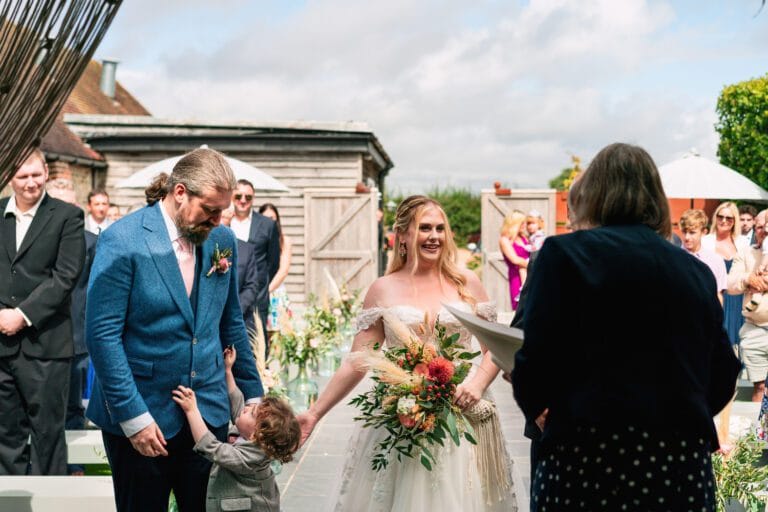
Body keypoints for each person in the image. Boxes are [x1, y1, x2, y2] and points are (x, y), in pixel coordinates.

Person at [512, 142, 740, 511]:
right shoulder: (695, 272)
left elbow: (532, 365)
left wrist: (550, 409)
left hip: (583, 463)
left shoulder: (562, 256)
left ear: (593, 195)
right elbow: (724, 372)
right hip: (675, 469)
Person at [297, 195, 517, 511]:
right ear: (402, 235)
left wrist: (478, 385)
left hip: (463, 411)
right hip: (402, 416)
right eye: (424, 228)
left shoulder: (466, 283)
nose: (434, 236)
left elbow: (495, 348)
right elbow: (359, 360)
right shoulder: (383, 288)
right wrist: (315, 413)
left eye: (440, 228)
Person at [85, 148, 264, 511]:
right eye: (211, 209)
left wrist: (255, 397)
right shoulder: (123, 240)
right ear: (180, 192)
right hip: (143, 414)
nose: (217, 220)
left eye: (222, 211)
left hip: (209, 415)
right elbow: (102, 334)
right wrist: (133, 417)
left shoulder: (221, 241)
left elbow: (230, 321)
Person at [0, 148, 85, 475]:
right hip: (2, 346)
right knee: (5, 434)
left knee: (48, 434)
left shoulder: (67, 216)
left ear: (46, 173)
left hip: (45, 345)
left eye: (36, 174)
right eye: (23, 176)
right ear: (10, 178)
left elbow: (65, 277)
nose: (30, 183)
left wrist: (21, 315)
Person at [172, 346, 300, 512]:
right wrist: (228, 371)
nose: (247, 408)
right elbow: (238, 404)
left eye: (252, 413)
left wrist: (192, 410)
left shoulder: (252, 457)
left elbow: (212, 448)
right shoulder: (254, 436)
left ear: (256, 434)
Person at [229, 180, 280, 341]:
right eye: (238, 196)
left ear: (253, 198)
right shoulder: (223, 220)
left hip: (257, 299)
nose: (243, 200)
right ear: (231, 197)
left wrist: (259, 283)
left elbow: (273, 262)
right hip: (228, 295)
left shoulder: (267, 225)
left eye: (248, 197)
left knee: (256, 347)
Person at [727, 209, 768, 402]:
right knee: (759, 387)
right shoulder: (746, 253)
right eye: (760, 227)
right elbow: (730, 284)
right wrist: (747, 279)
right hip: (754, 328)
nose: (764, 231)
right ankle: (759, 432)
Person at [703, 201, 749, 347]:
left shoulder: (743, 243)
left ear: (735, 221)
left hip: (739, 298)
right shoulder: (705, 242)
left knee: (738, 343)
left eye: (729, 218)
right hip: (716, 297)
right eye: (720, 216)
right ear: (715, 218)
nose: (724, 221)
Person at [221, 204, 261, 334]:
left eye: (223, 213)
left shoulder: (245, 249)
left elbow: (252, 285)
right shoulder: (200, 247)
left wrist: (234, 311)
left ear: (231, 215)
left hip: (239, 321)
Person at [680, 209, 728, 304]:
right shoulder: (673, 258)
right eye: (684, 232)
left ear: (704, 232)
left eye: (692, 232)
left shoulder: (715, 261)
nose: (687, 237)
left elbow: (718, 295)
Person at [258, 203, 292, 334]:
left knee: (278, 339)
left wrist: (266, 291)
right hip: (258, 292)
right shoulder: (256, 240)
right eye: (265, 218)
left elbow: (283, 271)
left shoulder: (284, 241)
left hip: (275, 292)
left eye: (272, 218)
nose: (269, 222)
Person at [499, 210, 529, 311]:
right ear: (515, 223)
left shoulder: (524, 237)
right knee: (520, 307)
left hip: (529, 274)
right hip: (516, 277)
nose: (525, 225)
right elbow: (515, 260)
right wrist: (534, 265)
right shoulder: (504, 240)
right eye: (522, 222)